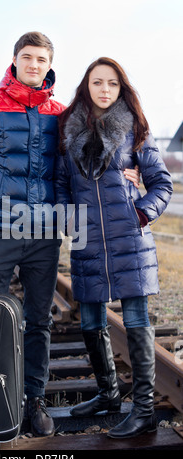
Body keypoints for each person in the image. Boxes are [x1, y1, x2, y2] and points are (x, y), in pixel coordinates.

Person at [0, 34, 140, 438]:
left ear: (49, 64)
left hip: (43, 231)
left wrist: (132, 169)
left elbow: (87, 158)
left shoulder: (61, 113)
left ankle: (33, 399)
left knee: (38, 321)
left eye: (41, 59)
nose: (34, 64)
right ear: (15, 60)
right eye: (27, 57)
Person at [55, 57, 173, 439]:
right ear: (85, 87)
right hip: (87, 241)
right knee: (90, 320)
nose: (105, 90)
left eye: (113, 84)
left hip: (129, 242)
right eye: (97, 83)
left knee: (136, 321)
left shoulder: (135, 129)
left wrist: (139, 214)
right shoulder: (68, 131)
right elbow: (61, 185)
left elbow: (162, 185)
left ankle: (141, 411)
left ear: (121, 89)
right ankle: (107, 395)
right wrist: (69, 221)